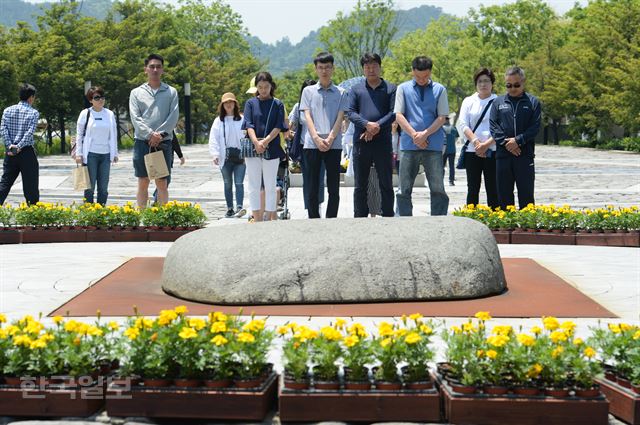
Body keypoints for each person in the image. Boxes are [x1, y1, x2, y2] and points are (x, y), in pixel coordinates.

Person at [394, 56, 449, 216]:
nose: (422, 80)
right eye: (418, 76)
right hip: (408, 145)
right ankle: (403, 220)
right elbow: (399, 115)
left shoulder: (440, 89)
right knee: (403, 188)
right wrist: (414, 135)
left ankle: (439, 219)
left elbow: (442, 117)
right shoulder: (403, 88)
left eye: (426, 76)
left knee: (437, 187)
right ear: (412, 71)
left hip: (433, 145)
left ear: (431, 72)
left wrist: (424, 134)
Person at [300, 52, 349, 219]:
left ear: (333, 68)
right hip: (312, 144)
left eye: (327, 67)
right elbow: (307, 117)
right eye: (320, 67)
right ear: (316, 69)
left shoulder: (342, 92)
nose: (324, 71)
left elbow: (340, 117)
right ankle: (313, 219)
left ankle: (331, 219)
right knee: (312, 185)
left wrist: (329, 138)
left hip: (333, 144)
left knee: (333, 187)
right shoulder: (308, 91)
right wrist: (316, 138)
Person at [347, 52, 396, 217]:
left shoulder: (391, 88)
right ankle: (360, 217)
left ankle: (388, 215)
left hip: (383, 142)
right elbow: (351, 113)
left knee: (386, 183)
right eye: (367, 66)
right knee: (360, 184)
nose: (371, 69)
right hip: (362, 142)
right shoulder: (356, 89)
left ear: (380, 67)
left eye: (374, 65)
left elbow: (394, 113)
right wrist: (367, 125)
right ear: (363, 69)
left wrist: (377, 127)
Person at [129, 53, 179, 208]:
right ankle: (142, 216)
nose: (155, 69)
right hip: (142, 142)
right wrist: (150, 134)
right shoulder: (136, 93)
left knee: (162, 182)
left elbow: (174, 116)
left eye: (158, 67)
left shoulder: (171, 92)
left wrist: (160, 135)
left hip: (163, 142)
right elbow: (135, 117)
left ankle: (163, 218)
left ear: (162, 70)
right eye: (152, 66)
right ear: (146, 69)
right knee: (143, 181)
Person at [490, 66, 541, 210]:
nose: (512, 88)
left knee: (526, 196)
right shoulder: (497, 103)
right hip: (503, 157)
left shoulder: (533, 102)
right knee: (504, 196)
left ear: (523, 82)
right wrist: (508, 144)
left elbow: (535, 127)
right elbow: (494, 127)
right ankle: (507, 228)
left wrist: (517, 141)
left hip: (524, 155)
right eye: (508, 85)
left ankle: (527, 228)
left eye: (516, 85)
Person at [242, 71, 287, 222]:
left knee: (270, 185)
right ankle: (257, 218)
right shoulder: (250, 103)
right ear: (256, 87)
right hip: (253, 148)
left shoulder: (277, 104)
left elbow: (278, 126)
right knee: (253, 185)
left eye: (266, 87)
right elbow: (248, 124)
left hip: (272, 147)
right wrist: (256, 142)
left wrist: (265, 141)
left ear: (271, 86)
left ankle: (270, 216)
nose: (263, 90)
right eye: (260, 87)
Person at [457, 68, 499, 208]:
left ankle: (495, 222)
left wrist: (486, 144)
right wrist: (476, 142)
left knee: (493, 187)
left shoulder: (498, 101)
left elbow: (502, 126)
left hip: (492, 149)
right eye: (480, 81)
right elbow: (463, 124)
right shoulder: (469, 101)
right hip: (472, 150)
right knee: (473, 187)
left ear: (492, 83)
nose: (483, 84)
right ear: (476, 83)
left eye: (486, 81)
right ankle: (471, 218)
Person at [74, 86, 119, 205]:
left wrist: (115, 153)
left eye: (102, 97)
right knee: (89, 187)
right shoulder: (85, 113)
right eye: (97, 97)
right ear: (90, 100)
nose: (100, 100)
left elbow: (113, 134)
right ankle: (89, 213)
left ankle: (101, 214)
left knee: (103, 188)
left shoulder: (109, 114)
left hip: (106, 155)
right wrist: (79, 153)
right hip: (90, 155)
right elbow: (79, 135)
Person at [288, 79, 326, 212]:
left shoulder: (323, 104)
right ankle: (310, 207)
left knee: (320, 179)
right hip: (305, 146)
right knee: (308, 179)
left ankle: (318, 205)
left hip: (322, 145)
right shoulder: (298, 107)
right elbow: (291, 126)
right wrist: (290, 133)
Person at [0, 83, 39, 205]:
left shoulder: (7, 111)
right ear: (31, 97)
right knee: (30, 186)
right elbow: (29, 133)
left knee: (5, 183)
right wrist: (20, 146)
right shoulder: (33, 113)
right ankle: (33, 217)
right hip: (26, 152)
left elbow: (3, 129)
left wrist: (10, 145)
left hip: (10, 152)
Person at [209, 92, 246, 218]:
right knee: (227, 183)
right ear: (222, 105)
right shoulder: (218, 121)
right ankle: (230, 208)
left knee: (239, 183)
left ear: (235, 104)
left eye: (231, 102)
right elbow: (213, 138)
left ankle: (239, 207)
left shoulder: (242, 119)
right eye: (226, 103)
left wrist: (247, 154)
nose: (229, 105)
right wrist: (215, 154)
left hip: (240, 156)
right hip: (225, 157)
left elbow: (247, 137)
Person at [152, 132, 185, 204]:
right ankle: (157, 199)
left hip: (168, 157)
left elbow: (174, 141)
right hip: (157, 154)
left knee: (167, 180)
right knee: (164, 180)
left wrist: (180, 155)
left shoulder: (169, 129)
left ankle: (157, 197)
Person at [442, 117, 458, 186]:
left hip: (443, 150)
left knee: (441, 166)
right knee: (451, 166)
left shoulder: (441, 128)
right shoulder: (453, 128)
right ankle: (451, 181)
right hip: (452, 150)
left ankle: (440, 180)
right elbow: (456, 138)